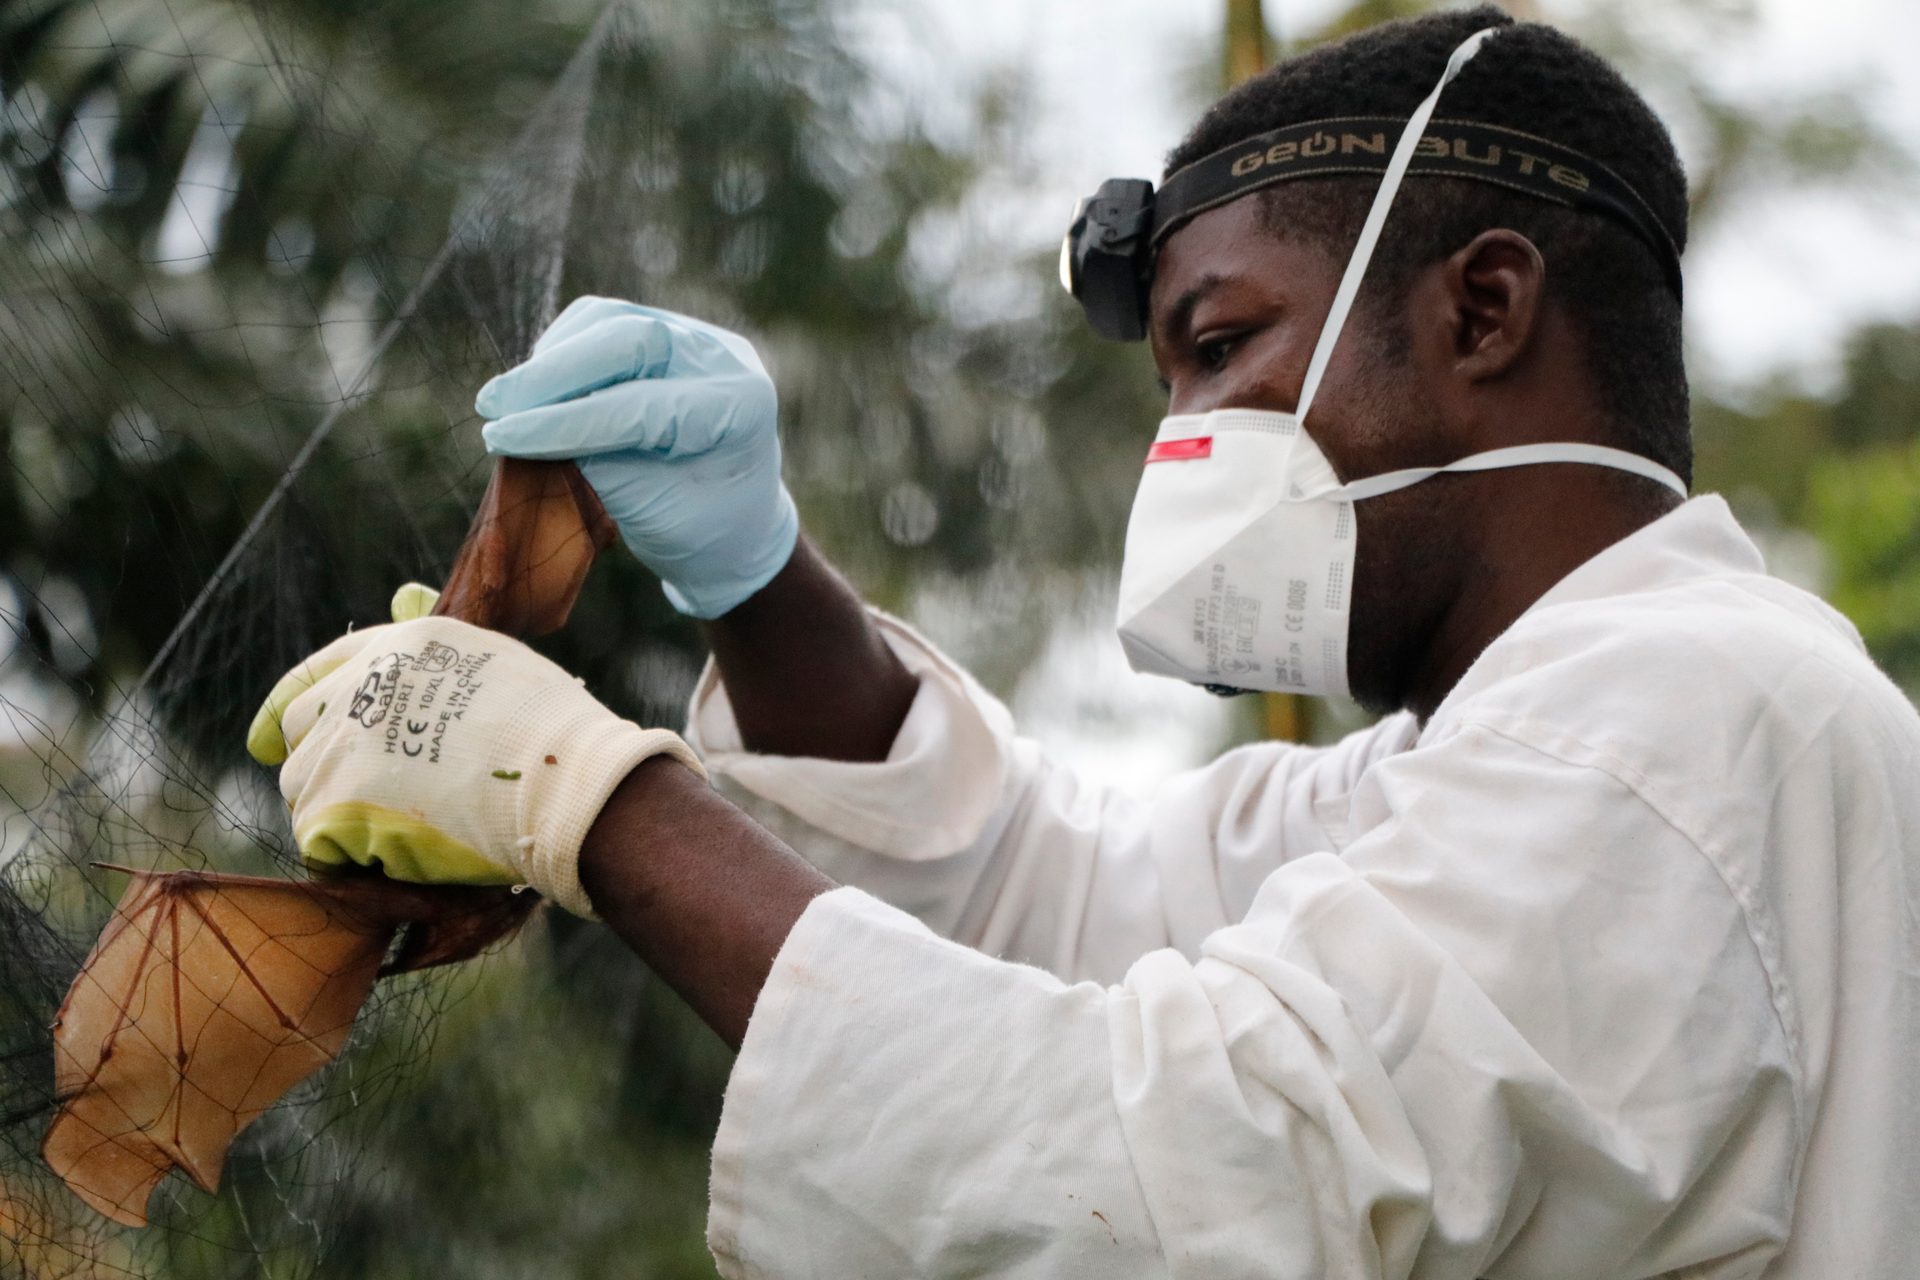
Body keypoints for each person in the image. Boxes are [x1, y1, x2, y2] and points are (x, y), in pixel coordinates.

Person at [245, 8, 1919, 1277]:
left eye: (1218, 347)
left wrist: (585, 795)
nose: (1176, 443)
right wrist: (759, 579)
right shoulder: (1473, 765)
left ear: (1481, 313)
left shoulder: (1692, 710)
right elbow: (1056, 900)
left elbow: (1193, 1168)